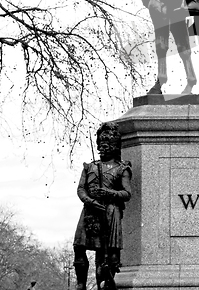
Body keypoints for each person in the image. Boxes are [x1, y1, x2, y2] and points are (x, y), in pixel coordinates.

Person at [73, 122, 132, 290]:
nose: (103, 148)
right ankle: (81, 283)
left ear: (114, 146)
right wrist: (90, 201)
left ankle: (104, 285)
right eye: (101, 145)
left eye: (107, 145)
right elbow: (81, 189)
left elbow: (127, 194)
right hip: (90, 210)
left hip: (110, 211)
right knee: (79, 246)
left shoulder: (122, 169)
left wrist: (108, 193)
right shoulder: (90, 166)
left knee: (105, 253)